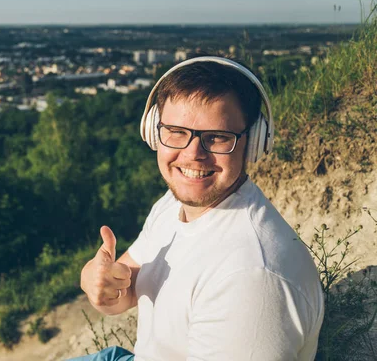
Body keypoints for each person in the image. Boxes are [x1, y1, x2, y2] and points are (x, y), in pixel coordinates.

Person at [71, 56, 324, 361]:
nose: (193, 155)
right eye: (176, 131)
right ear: (154, 131)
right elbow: (123, 294)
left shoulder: (250, 281)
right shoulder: (173, 204)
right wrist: (97, 284)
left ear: (255, 142)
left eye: (217, 137)